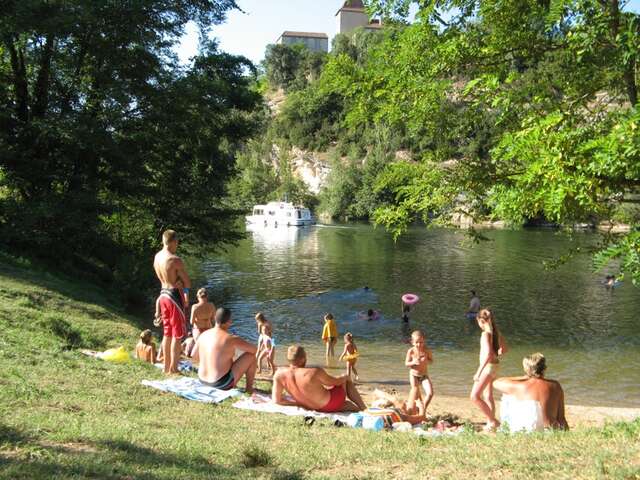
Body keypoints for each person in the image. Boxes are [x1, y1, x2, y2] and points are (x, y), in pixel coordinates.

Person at [272, 345, 366, 412]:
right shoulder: (314, 371)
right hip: (329, 404)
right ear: (303, 359)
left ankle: (352, 407)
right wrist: (344, 377)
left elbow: (277, 400)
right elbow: (336, 382)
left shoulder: (278, 374)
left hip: (309, 405)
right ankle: (364, 408)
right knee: (345, 378)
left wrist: (299, 404)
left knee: (348, 405)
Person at [494, 353, 568, 431]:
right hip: (549, 430)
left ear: (526, 369)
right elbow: (561, 418)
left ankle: (507, 428)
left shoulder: (519, 386)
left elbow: (496, 382)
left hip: (526, 429)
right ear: (545, 368)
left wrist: (524, 377)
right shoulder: (555, 385)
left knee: (507, 396)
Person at [153, 229, 192, 374]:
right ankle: (174, 369)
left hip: (163, 294)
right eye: (177, 243)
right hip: (174, 297)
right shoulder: (175, 260)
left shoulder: (157, 257)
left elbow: (162, 277)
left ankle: (166, 367)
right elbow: (187, 282)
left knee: (167, 333)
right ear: (174, 242)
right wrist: (185, 291)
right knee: (177, 334)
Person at [192, 308, 257, 392]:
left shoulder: (203, 334)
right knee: (251, 356)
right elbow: (254, 350)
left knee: (225, 357)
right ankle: (249, 388)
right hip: (220, 384)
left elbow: (194, 355)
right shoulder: (230, 338)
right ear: (229, 322)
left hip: (202, 380)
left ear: (215, 318)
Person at [470, 308, 508, 431]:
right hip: (495, 366)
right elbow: (505, 349)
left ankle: (493, 421)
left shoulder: (485, 334)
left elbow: (487, 355)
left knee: (474, 396)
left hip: (488, 367)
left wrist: (478, 372)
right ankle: (490, 422)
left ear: (481, 321)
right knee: (488, 395)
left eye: (478, 322)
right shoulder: (496, 332)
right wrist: (498, 351)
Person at [405, 330, 434, 413]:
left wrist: (426, 361)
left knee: (430, 393)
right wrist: (413, 362)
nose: (419, 344)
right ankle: (420, 412)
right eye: (416, 342)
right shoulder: (411, 351)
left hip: (424, 375)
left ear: (424, 341)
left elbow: (431, 361)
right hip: (414, 376)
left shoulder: (427, 350)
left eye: (421, 342)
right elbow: (406, 363)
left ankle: (423, 409)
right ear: (412, 342)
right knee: (417, 397)